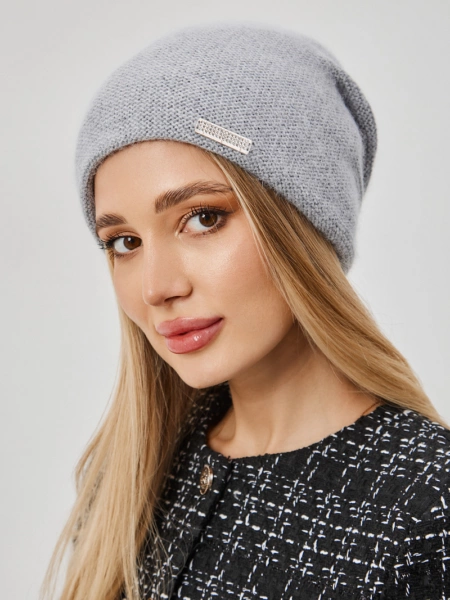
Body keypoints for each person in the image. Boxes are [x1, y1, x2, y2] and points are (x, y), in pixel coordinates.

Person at [43, 22, 450, 600]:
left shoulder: (427, 505)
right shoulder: (131, 478)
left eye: (203, 218)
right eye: (125, 242)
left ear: (301, 226)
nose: (157, 288)